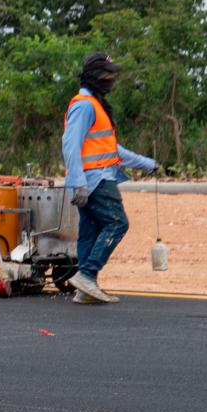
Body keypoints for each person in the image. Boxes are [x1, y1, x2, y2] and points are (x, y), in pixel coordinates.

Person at [62, 52, 157, 305]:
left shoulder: (95, 105)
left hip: (93, 179)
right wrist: (78, 181)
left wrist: (146, 164)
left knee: (89, 232)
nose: (111, 78)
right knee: (117, 224)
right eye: (107, 73)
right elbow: (70, 146)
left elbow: (112, 149)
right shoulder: (84, 106)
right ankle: (88, 274)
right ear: (95, 76)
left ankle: (85, 289)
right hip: (96, 180)